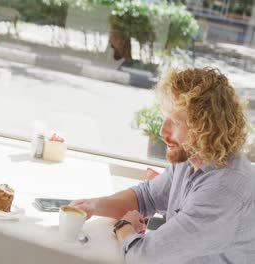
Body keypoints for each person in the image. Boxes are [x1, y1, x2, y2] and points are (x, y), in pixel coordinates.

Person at [71, 67, 255, 263]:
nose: (162, 131)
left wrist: (124, 226)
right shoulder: (191, 157)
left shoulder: (224, 190)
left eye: (175, 122)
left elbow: (142, 258)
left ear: (205, 129)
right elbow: (146, 197)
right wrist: (92, 205)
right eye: (163, 118)